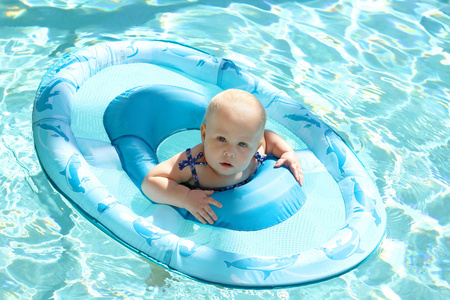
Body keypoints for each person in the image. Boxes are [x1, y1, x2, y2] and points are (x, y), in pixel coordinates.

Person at [141, 89, 303, 225]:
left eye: (242, 144)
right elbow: (151, 180)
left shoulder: (255, 152)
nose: (230, 152)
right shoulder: (194, 163)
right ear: (204, 134)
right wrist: (185, 197)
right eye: (222, 139)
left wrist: (287, 152)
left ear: (255, 144)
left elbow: (268, 137)